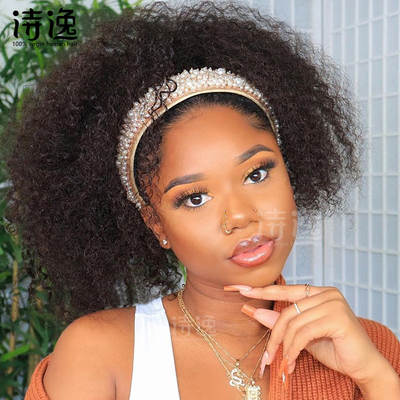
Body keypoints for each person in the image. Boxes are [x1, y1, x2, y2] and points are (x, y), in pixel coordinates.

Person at [3, 1, 399, 399]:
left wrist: (375, 377)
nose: (240, 216)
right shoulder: (100, 355)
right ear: (156, 224)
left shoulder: (368, 348)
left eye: (257, 174)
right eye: (194, 198)